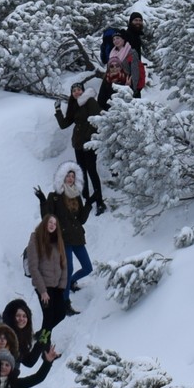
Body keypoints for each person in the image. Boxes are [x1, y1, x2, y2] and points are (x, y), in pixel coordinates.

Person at [55, 78, 111, 214]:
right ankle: (86, 200)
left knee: (92, 171)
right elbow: (64, 124)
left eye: (79, 89)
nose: (76, 92)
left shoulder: (90, 101)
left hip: (89, 143)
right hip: (78, 144)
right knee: (81, 172)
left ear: (83, 91)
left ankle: (99, 202)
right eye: (74, 91)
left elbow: (97, 121)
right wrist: (58, 110)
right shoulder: (74, 105)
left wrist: (88, 137)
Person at [26, 212, 71, 332]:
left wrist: (62, 286)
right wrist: (43, 291)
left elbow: (64, 266)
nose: (52, 225)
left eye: (55, 224)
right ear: (45, 223)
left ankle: (40, 337)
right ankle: (43, 348)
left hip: (56, 287)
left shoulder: (58, 242)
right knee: (48, 318)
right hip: (44, 287)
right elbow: (33, 267)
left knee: (60, 314)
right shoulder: (35, 240)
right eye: (50, 222)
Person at [52, 162, 92, 293]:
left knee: (88, 268)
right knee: (68, 269)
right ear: (62, 177)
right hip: (63, 239)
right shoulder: (56, 197)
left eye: (72, 176)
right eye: (68, 176)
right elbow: (48, 218)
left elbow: (81, 220)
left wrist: (88, 205)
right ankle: (65, 301)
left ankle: (70, 283)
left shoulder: (76, 196)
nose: (70, 179)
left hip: (77, 237)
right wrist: (43, 202)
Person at [106, 32, 143, 98]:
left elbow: (135, 71)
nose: (115, 41)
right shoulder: (112, 53)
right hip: (114, 85)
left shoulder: (131, 52)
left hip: (127, 84)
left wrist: (134, 89)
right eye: (114, 39)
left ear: (123, 39)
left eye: (118, 38)